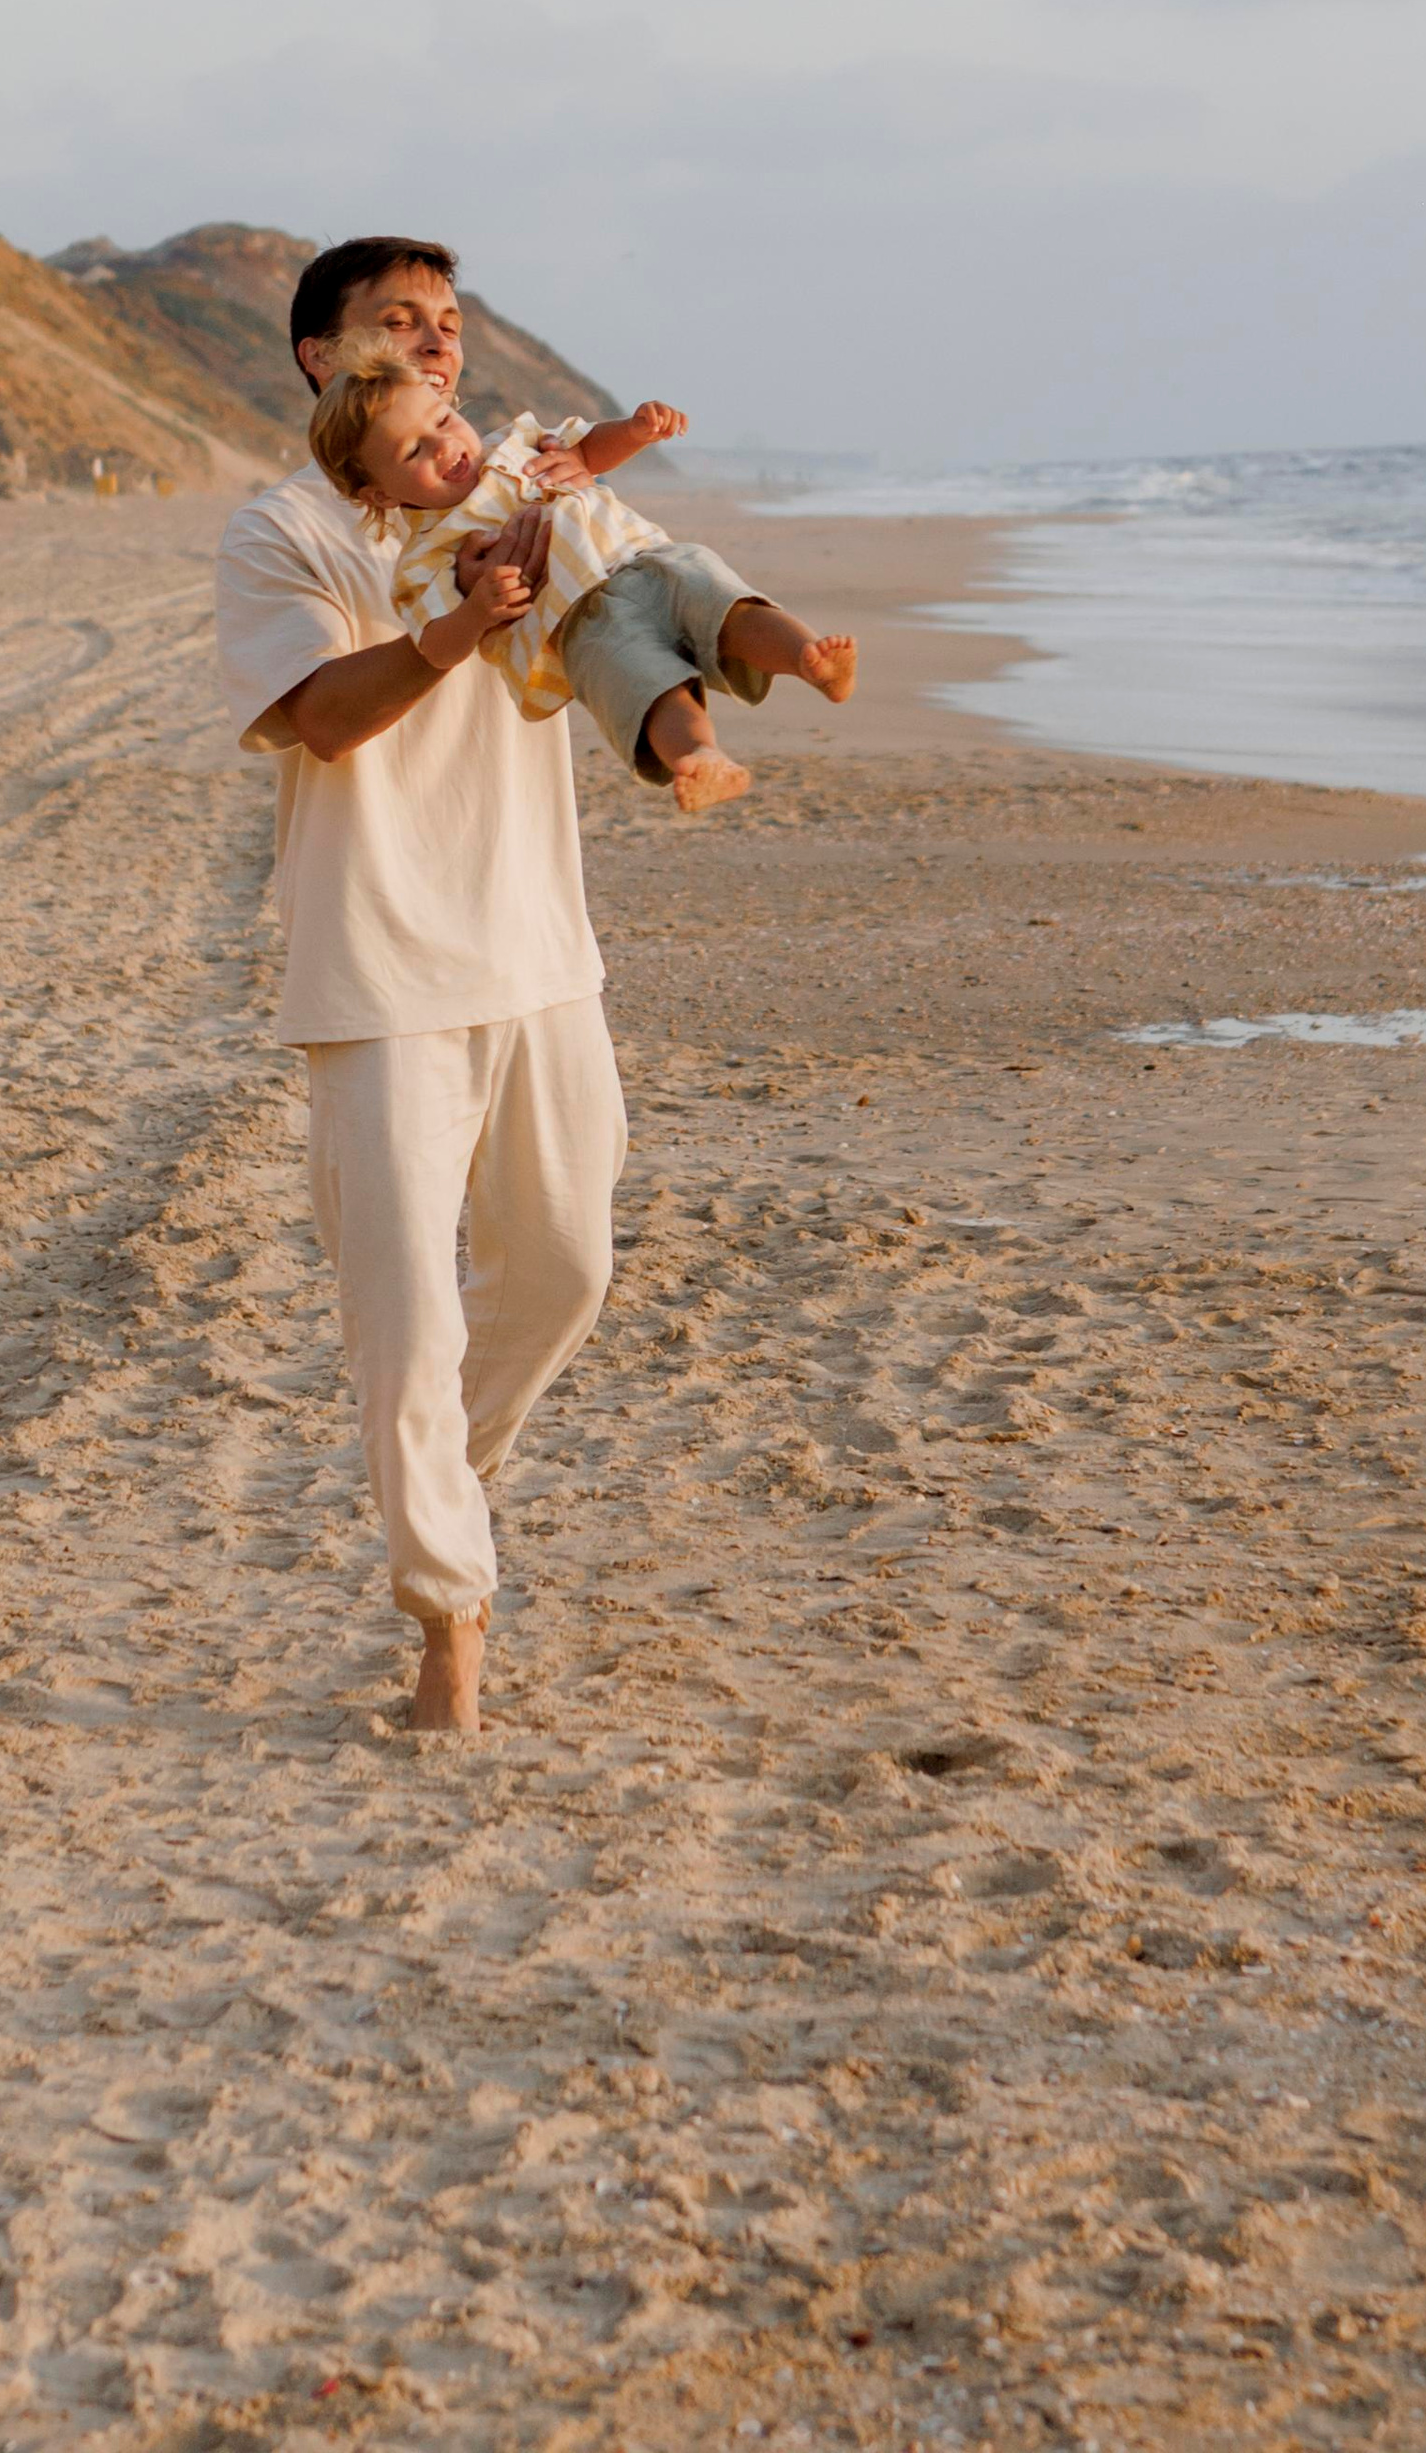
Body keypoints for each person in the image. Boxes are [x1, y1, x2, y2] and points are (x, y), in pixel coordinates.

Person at [212, 237, 621, 1735]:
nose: (437, 347)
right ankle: (450, 1635)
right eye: (401, 323)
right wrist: (459, 626)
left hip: (540, 953)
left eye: (449, 326)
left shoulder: (517, 490)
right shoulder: (282, 535)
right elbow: (324, 718)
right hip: (379, 973)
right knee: (405, 1326)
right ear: (326, 358)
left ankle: (441, 1472)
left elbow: (638, 613)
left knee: (569, 1267)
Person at [306, 352, 857, 810]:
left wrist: (634, 432)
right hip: (580, 624)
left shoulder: (517, 441)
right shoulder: (428, 554)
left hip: (644, 558)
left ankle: (809, 657)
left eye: (443, 422)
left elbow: (589, 449)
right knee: (650, 688)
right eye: (413, 451)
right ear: (379, 494)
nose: (444, 446)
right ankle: (702, 758)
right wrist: (476, 610)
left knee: (724, 606)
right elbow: (436, 644)